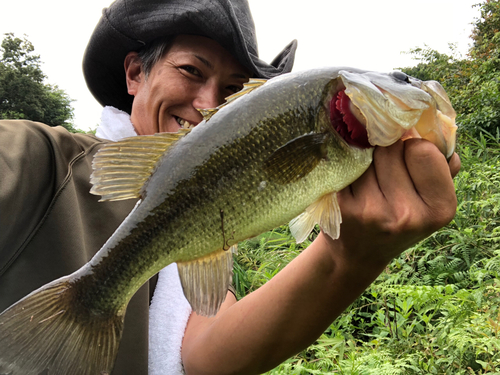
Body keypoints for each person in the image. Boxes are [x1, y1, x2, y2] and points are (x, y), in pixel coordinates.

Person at [0, 0, 460, 374]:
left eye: (234, 91)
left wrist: (352, 255)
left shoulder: (204, 210)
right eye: (191, 71)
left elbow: (204, 355)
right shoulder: (34, 158)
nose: (206, 104)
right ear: (136, 74)